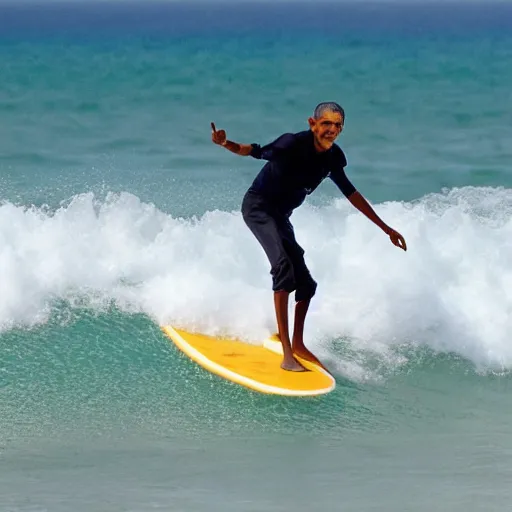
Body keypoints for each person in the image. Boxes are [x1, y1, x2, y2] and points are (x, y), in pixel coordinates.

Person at [211, 102, 407, 372]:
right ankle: (287, 354)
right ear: (312, 123)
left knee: (306, 284)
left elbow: (351, 193)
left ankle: (298, 343)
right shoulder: (290, 144)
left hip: (280, 216)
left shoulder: (333, 158)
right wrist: (225, 144)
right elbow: (253, 151)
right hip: (258, 208)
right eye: (326, 123)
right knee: (283, 269)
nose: (332, 129)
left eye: (338, 125)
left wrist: (387, 229)